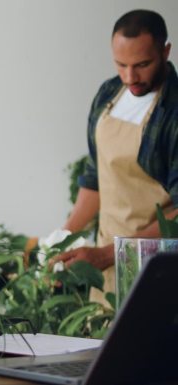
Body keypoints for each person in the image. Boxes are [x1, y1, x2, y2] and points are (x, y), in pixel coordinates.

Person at [51, 10, 178, 303]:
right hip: (106, 261)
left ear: (165, 51)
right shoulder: (109, 93)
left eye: (142, 65)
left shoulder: (172, 112)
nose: (130, 77)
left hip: (159, 267)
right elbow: (96, 178)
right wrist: (62, 239)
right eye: (121, 64)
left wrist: (111, 254)